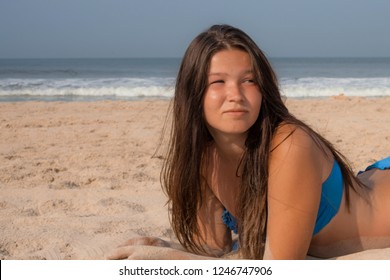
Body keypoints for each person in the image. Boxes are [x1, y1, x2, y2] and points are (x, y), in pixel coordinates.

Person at [107, 24, 390, 260]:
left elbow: (279, 268)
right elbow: (214, 249)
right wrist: (164, 247)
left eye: (249, 80)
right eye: (218, 82)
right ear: (194, 92)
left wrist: (166, 262)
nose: (236, 94)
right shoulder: (204, 156)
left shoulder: (290, 144)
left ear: (263, 89)